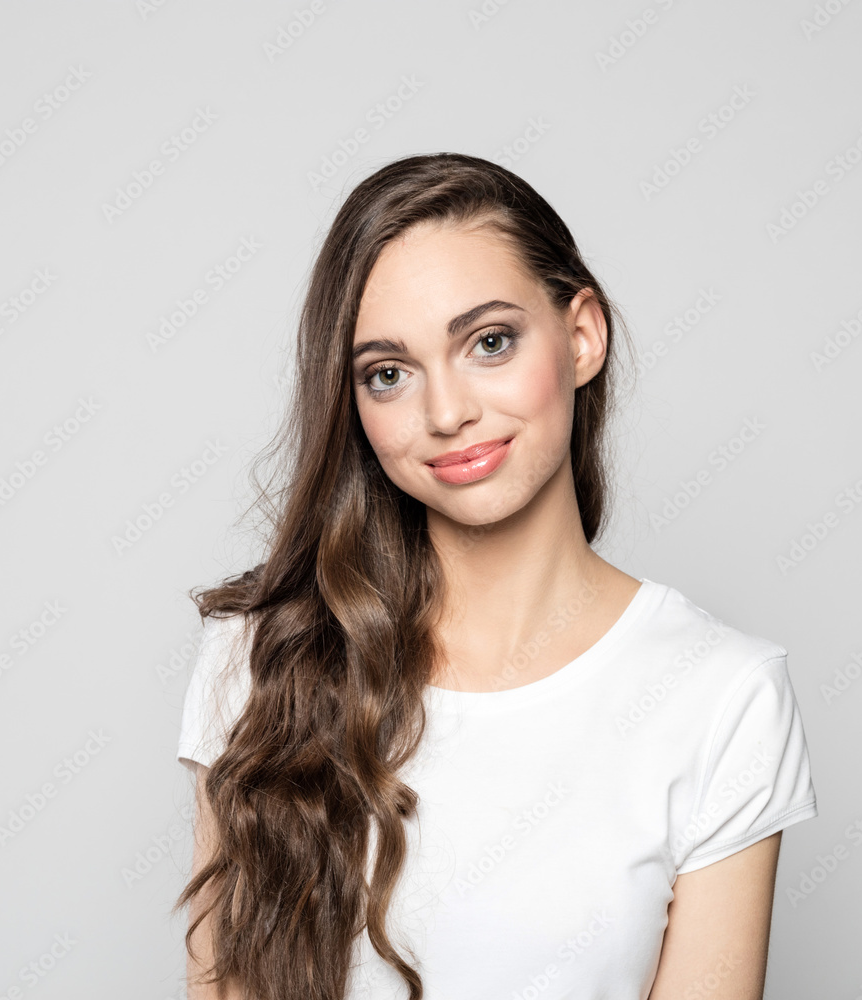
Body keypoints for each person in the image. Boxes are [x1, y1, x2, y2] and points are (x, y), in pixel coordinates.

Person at [173, 152, 818, 1000]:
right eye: (389, 373)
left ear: (582, 335)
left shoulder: (725, 698)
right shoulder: (261, 656)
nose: (446, 413)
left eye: (489, 341)